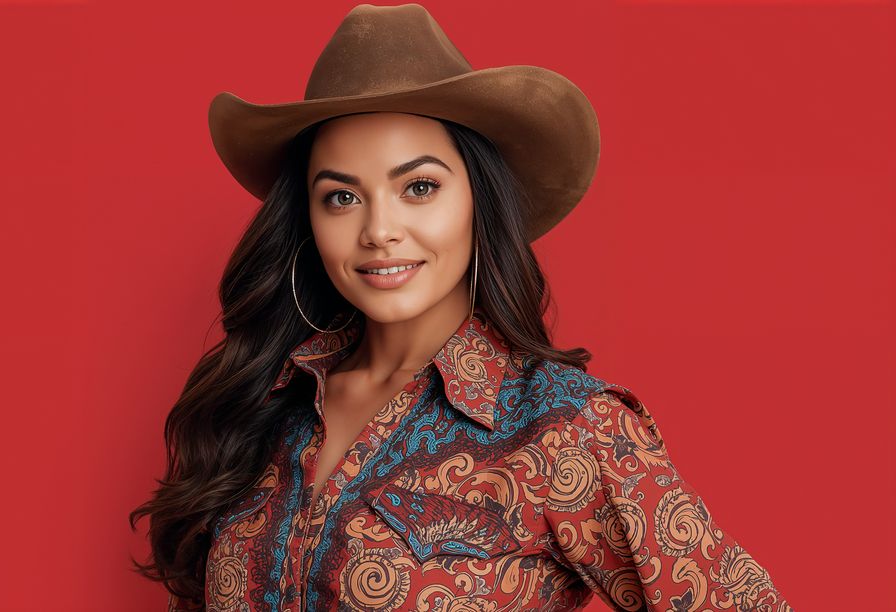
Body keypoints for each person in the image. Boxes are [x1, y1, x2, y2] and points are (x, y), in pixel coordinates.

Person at [130, 4, 792, 610]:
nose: (379, 230)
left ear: (478, 201)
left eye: (418, 187)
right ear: (305, 218)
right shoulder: (265, 407)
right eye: (341, 196)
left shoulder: (566, 428)